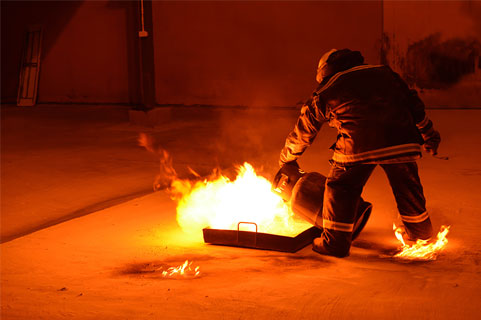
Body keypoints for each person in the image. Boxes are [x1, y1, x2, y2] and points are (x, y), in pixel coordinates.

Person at [279, 49, 441, 257]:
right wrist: (429, 136)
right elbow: (414, 105)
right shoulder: (385, 73)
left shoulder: (327, 89)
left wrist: (287, 158)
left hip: (357, 146)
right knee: (407, 186)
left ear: (325, 72)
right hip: (402, 141)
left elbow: (304, 131)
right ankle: (421, 236)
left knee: (340, 186)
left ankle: (335, 243)